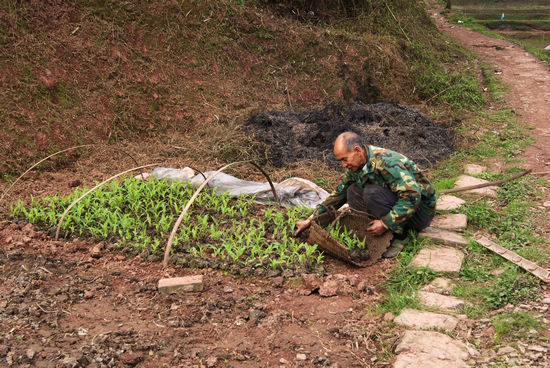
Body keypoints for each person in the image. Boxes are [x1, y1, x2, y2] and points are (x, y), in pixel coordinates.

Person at [294, 131, 436, 258]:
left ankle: (400, 235)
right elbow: (338, 195)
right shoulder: (358, 166)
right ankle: (370, 230)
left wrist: (386, 223)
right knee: (352, 190)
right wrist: (310, 220)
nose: (343, 165)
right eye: (340, 161)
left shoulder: (386, 162)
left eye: (344, 159)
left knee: (371, 193)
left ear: (357, 150)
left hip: (420, 213)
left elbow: (412, 195)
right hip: (399, 204)